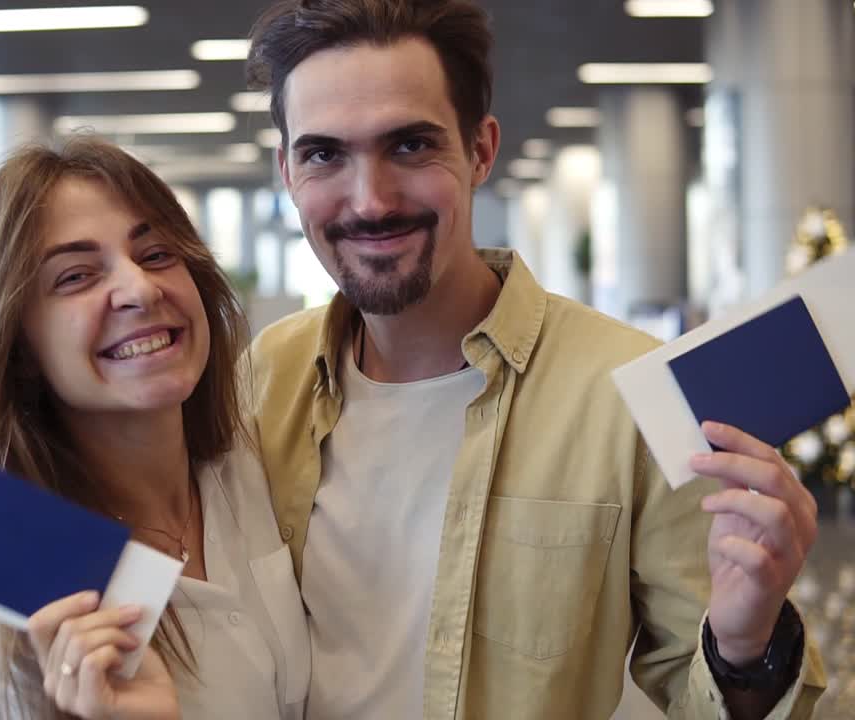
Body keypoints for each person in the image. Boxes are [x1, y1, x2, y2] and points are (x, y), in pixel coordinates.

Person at [243, 1, 827, 718]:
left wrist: (746, 648)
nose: (369, 201)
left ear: (480, 151)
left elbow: (706, 692)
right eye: (324, 153)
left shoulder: (627, 395)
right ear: (287, 169)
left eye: (410, 146)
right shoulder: (263, 379)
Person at [0, 138, 309, 719]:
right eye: (76, 276)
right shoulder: (20, 613)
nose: (140, 288)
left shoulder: (255, 471)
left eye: (155, 254)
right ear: (17, 346)